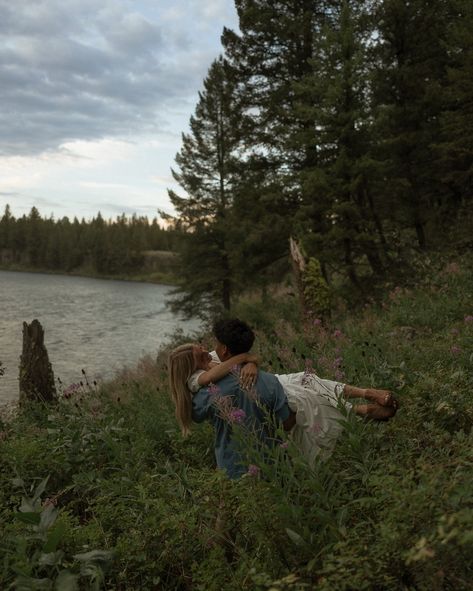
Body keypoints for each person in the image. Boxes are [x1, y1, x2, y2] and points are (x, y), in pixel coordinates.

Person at [168, 318, 397, 475]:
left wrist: (251, 363)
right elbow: (218, 372)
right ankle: (360, 408)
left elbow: (238, 360)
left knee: (309, 380)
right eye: (202, 354)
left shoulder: (211, 358)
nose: (208, 351)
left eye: (210, 346)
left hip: (272, 380)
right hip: (271, 386)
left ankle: (364, 399)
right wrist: (246, 359)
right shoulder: (198, 379)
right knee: (311, 398)